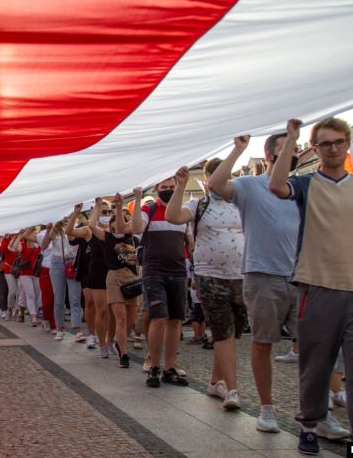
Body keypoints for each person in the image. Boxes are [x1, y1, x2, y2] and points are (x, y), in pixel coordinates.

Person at [270, 117, 353, 452]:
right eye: (326, 144)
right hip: (317, 287)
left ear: (348, 143)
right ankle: (310, 423)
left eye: (339, 142)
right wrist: (290, 140)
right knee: (317, 365)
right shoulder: (307, 184)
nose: (333, 149)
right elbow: (277, 186)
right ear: (316, 149)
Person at [209, 133, 308, 433]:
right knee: (264, 342)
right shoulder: (251, 186)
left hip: (301, 276)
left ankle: (315, 410)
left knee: (314, 345)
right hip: (263, 275)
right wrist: (238, 150)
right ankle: (267, 409)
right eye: (283, 150)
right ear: (268, 156)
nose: (289, 155)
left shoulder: (303, 187)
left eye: (294, 151)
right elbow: (216, 184)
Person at [165, 161, 245, 411]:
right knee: (222, 331)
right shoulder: (199, 205)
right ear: (208, 178)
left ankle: (214, 382)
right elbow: (173, 216)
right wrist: (179, 186)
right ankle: (232, 390)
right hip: (209, 276)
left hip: (241, 277)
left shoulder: (240, 204)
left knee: (232, 333)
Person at [128, 179, 190, 388]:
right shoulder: (149, 208)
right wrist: (137, 200)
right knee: (159, 318)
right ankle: (154, 365)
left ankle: (170, 367)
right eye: (164, 188)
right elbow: (136, 227)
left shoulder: (183, 212)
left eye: (171, 188)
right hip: (154, 271)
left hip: (178, 270)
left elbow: (190, 242)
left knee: (175, 320)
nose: (168, 191)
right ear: (156, 189)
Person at [88, 195, 140, 367]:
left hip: (131, 279)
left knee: (131, 320)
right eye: (114, 225)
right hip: (114, 278)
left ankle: (117, 341)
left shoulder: (131, 237)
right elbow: (91, 225)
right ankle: (123, 353)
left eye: (122, 223)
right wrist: (97, 207)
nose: (118, 227)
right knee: (121, 318)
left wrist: (121, 207)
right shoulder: (107, 237)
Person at [67, 202, 110, 352]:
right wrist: (75, 214)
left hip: (108, 271)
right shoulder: (87, 229)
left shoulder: (111, 229)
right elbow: (70, 232)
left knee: (106, 307)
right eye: (102, 211)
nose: (105, 215)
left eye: (107, 212)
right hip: (88, 270)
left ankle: (107, 337)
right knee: (91, 302)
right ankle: (92, 334)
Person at [44, 222, 83, 342]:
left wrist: (68, 228)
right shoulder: (54, 231)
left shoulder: (77, 228)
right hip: (57, 263)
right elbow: (43, 246)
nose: (67, 218)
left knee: (75, 298)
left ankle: (77, 330)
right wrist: (48, 230)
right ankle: (59, 329)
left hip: (72, 262)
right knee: (58, 299)